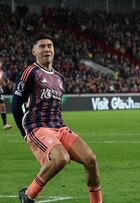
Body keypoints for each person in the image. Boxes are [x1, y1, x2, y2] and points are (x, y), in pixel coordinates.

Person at [12, 33, 103, 203]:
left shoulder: (60, 77)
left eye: (49, 46)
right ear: (34, 51)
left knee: (91, 160)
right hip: (38, 127)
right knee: (62, 158)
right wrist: (24, 133)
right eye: (42, 46)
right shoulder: (31, 72)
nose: (46, 49)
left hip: (59, 127)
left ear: (53, 50)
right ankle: (28, 196)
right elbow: (16, 105)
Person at [0, 61, 12, 130]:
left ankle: (5, 124)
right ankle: (5, 124)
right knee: (2, 107)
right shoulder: (1, 73)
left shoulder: (1, 72)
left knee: (2, 107)